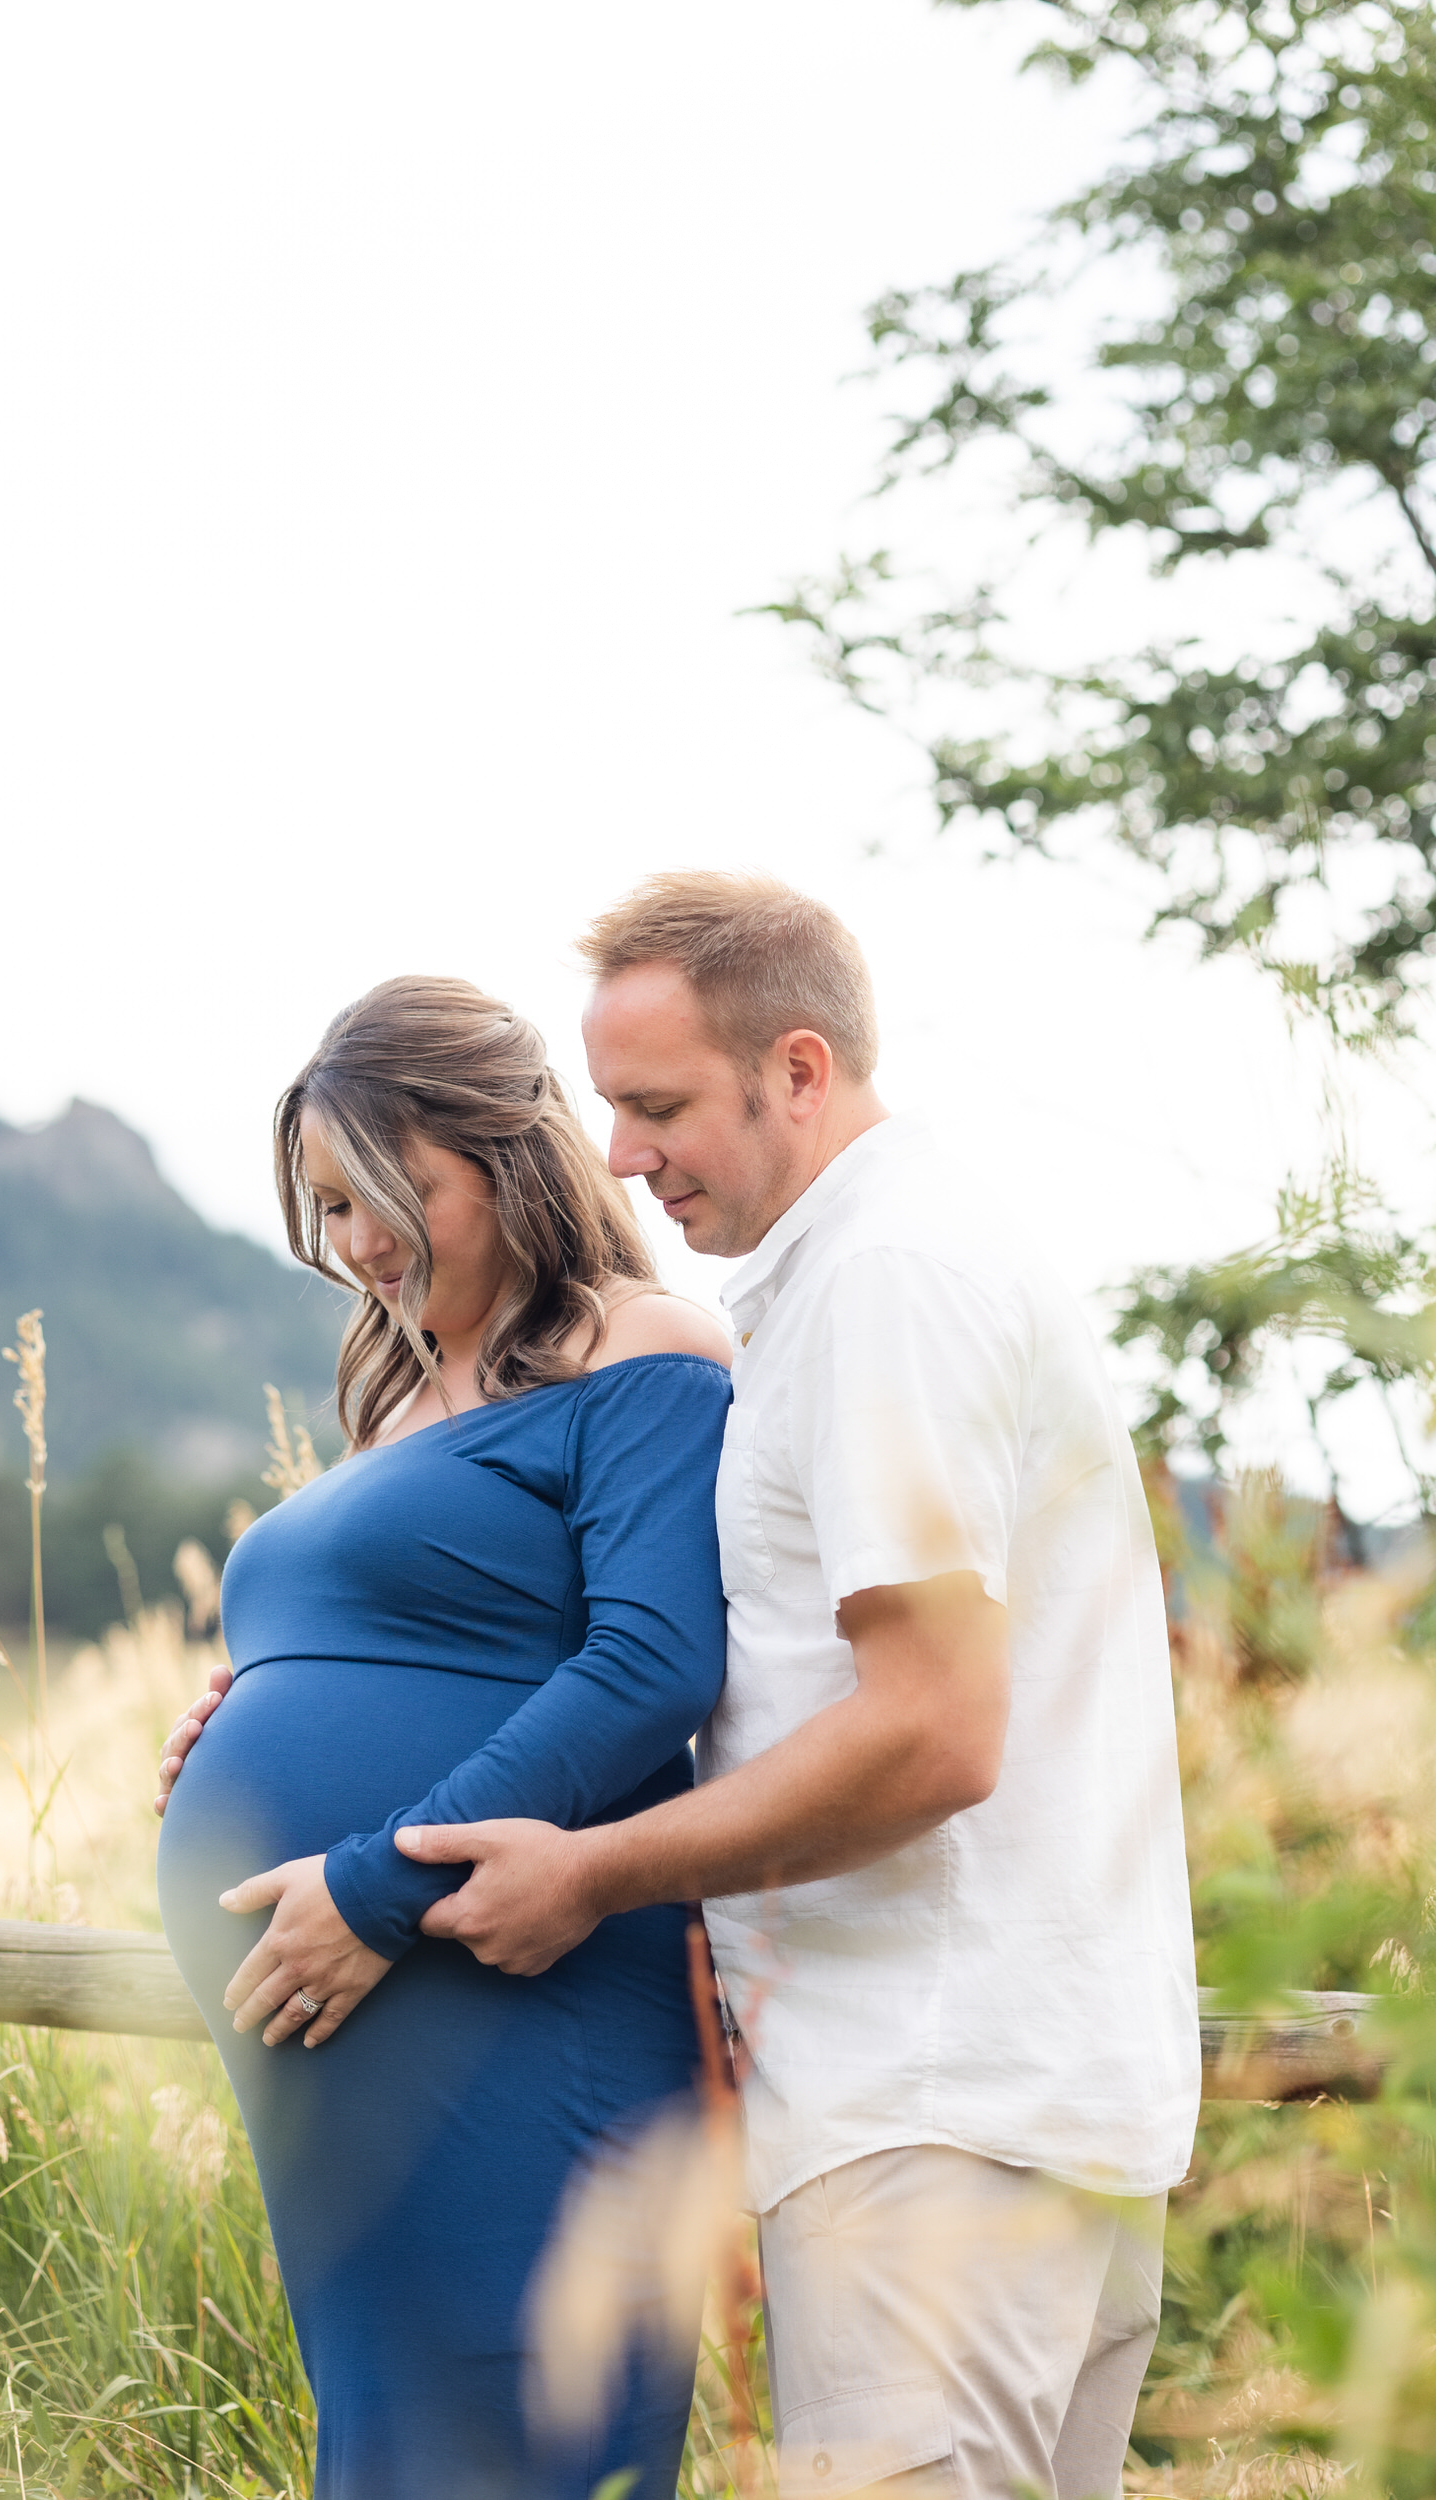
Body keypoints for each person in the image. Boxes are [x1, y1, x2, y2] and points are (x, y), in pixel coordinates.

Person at [383, 874, 1203, 2500]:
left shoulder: (891, 1280)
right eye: (613, 1108)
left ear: (802, 1070)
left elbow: (932, 1730)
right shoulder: (888, 1262)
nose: (621, 1156)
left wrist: (591, 1873)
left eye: (660, 1106)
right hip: (1001, 2108)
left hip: (934, 2126)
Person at [153, 973, 732, 2500]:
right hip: (346, 2027)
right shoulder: (401, 1396)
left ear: (503, 1155)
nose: (356, 1249)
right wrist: (242, 1709)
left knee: (526, 2430)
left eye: (380, 1199)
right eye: (329, 1213)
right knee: (397, 2444)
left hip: (499, 1982)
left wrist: (368, 1883)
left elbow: (653, 1666)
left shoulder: (646, 1347)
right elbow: (415, 1640)